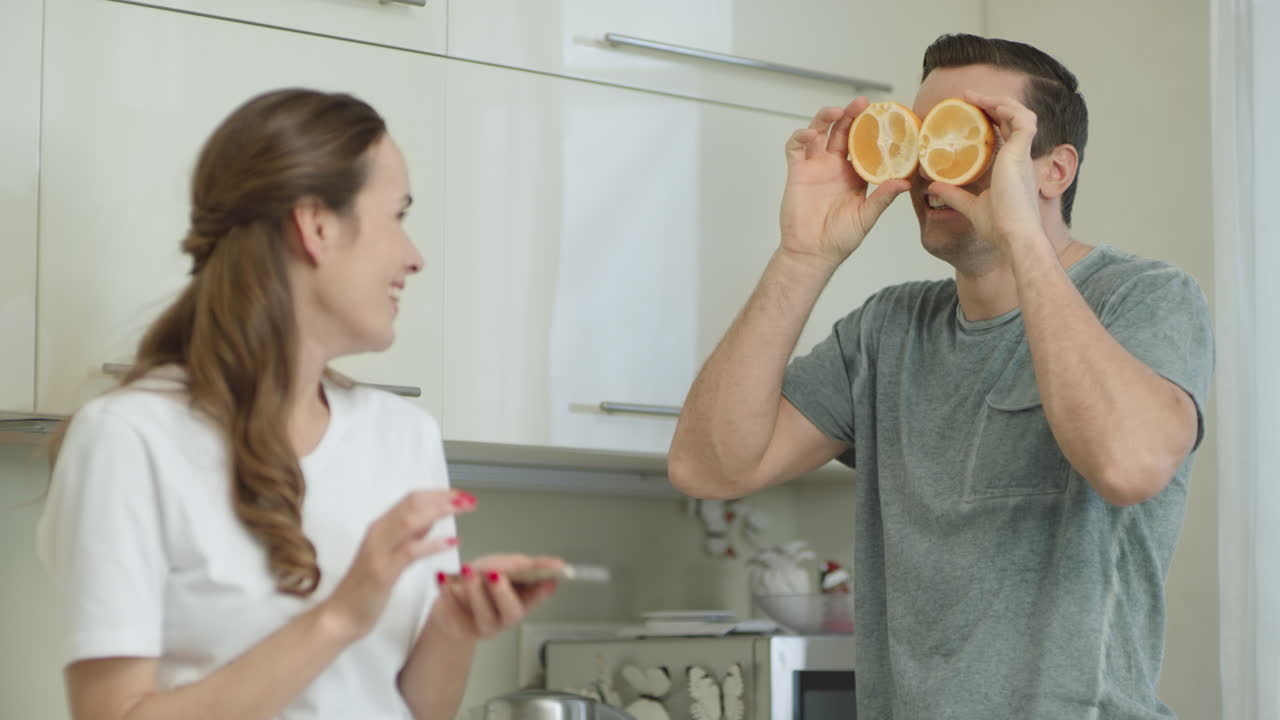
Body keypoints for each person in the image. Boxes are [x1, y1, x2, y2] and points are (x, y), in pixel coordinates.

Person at [668, 33, 1213, 719]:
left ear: (1054, 170)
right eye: (922, 136)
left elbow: (1128, 466)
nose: (933, 164)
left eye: (973, 135)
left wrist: (1020, 237)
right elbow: (708, 467)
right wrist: (803, 254)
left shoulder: (1144, 299)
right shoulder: (885, 332)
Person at [36, 88, 563, 720]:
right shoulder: (128, 438)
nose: (414, 257)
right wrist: (340, 616)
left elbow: (418, 710)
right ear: (315, 226)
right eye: (398, 215)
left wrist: (453, 624)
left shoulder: (405, 437)